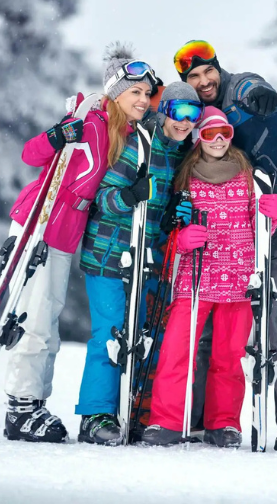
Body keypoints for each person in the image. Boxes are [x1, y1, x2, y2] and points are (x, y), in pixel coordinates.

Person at [2, 45, 159, 443]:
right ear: (115, 92)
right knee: (34, 319)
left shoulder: (129, 135)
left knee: (48, 321)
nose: (142, 99)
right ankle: (20, 408)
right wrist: (57, 135)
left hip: (67, 235)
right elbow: (31, 154)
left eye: (146, 92)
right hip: (39, 222)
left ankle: (33, 403)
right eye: (133, 92)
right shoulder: (89, 121)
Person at [171, 40, 277, 452]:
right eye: (194, 77)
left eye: (208, 72)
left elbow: (251, 86)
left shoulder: (239, 91)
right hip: (237, 227)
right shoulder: (201, 119)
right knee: (212, 317)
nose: (203, 82)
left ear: (219, 69)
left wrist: (259, 93)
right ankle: (204, 418)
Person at [141, 107, 277, 448]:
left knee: (229, 356)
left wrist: (272, 217)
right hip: (195, 277)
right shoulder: (186, 177)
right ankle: (167, 420)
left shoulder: (248, 175)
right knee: (177, 349)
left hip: (237, 279)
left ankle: (224, 423)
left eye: (224, 134)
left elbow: (260, 226)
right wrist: (182, 238)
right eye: (209, 134)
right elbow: (173, 224)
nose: (218, 141)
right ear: (198, 138)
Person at [75, 80, 203, 445]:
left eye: (192, 115)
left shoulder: (180, 155)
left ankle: (129, 412)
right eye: (178, 113)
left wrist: (169, 218)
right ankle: (94, 415)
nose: (185, 122)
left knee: (142, 334)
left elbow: (161, 212)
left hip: (145, 258)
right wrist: (131, 194)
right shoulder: (139, 145)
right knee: (112, 332)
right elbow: (104, 197)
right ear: (165, 112)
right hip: (108, 255)